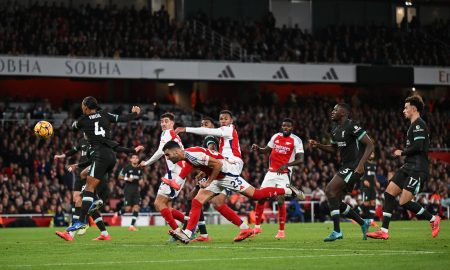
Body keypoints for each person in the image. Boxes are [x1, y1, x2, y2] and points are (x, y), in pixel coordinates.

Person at [162, 141, 304, 244]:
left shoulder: (192, 155)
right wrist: (202, 173)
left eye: (168, 155)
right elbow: (209, 162)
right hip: (217, 177)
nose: (168, 158)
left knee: (257, 195)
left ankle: (287, 190)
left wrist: (208, 181)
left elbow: (216, 164)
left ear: (175, 151)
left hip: (226, 175)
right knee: (197, 201)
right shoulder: (189, 154)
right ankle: (188, 233)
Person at [367, 95, 440, 240]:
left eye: (406, 108)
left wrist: (402, 152)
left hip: (418, 168)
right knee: (389, 193)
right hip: (408, 166)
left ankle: (433, 219)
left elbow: (419, 146)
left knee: (404, 201)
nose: (403, 110)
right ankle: (384, 231)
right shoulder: (413, 125)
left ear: (414, 109)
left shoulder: (419, 124)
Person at [65, 96, 140, 233]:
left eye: (82, 104)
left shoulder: (83, 120)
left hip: (100, 155)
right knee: (89, 182)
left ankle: (81, 221)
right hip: (111, 155)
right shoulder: (105, 114)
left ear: (86, 107)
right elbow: (123, 118)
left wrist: (80, 122)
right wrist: (135, 113)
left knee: (88, 186)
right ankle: (95, 202)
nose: (82, 106)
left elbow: (73, 127)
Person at [309, 103, 374, 242]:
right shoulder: (335, 129)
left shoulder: (352, 125)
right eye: (332, 109)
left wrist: (361, 165)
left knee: (329, 190)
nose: (332, 112)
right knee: (336, 202)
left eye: (335, 109)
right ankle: (363, 223)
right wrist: (318, 145)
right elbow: (334, 149)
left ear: (343, 113)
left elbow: (370, 144)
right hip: (346, 166)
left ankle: (337, 231)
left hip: (354, 166)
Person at [251, 118, 304, 239]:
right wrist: (258, 149)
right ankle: (257, 227)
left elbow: (301, 160)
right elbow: (266, 151)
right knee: (261, 197)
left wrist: (287, 165)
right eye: (284, 126)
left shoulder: (296, 140)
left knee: (280, 200)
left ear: (292, 128)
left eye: (288, 126)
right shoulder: (276, 136)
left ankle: (281, 231)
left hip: (284, 173)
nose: (285, 128)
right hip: (271, 172)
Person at [139, 113, 186, 235]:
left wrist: (147, 163)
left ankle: (178, 231)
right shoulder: (172, 135)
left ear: (172, 123)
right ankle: (190, 223)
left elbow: (161, 151)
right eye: (161, 121)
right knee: (167, 207)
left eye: (166, 121)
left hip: (176, 173)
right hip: (176, 172)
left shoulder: (168, 133)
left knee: (158, 203)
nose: (163, 124)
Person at [118, 154, 145, 231]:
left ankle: (131, 226)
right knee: (128, 208)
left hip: (136, 191)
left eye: (137, 158)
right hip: (128, 190)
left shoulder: (140, 169)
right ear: (131, 160)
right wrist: (127, 178)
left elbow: (141, 179)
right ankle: (118, 213)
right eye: (133, 158)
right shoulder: (127, 168)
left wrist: (141, 182)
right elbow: (119, 176)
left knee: (137, 207)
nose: (135, 159)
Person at [360, 152, 380, 225]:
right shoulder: (364, 163)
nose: (371, 155)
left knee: (373, 203)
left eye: (373, 154)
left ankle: (371, 221)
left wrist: (376, 182)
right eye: (370, 154)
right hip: (365, 187)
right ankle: (355, 216)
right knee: (366, 204)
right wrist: (364, 180)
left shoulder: (374, 165)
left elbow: (374, 175)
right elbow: (359, 173)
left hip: (372, 186)